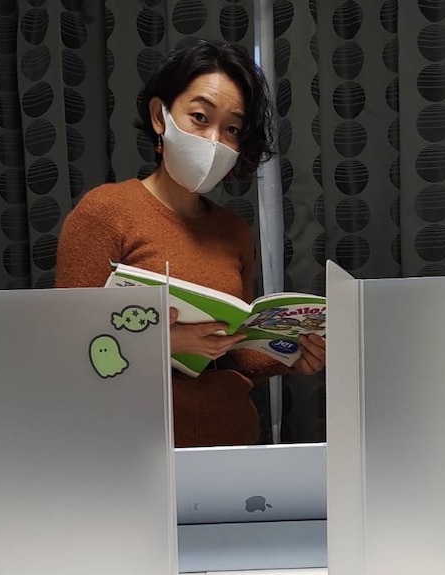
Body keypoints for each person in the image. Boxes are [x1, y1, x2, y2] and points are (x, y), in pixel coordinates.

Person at [55, 39, 326, 447]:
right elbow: (63, 345)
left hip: (231, 442)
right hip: (132, 448)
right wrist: (161, 343)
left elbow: (236, 354)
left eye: (232, 128)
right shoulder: (107, 211)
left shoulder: (234, 231)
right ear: (159, 117)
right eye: (200, 117)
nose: (215, 140)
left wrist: (293, 352)